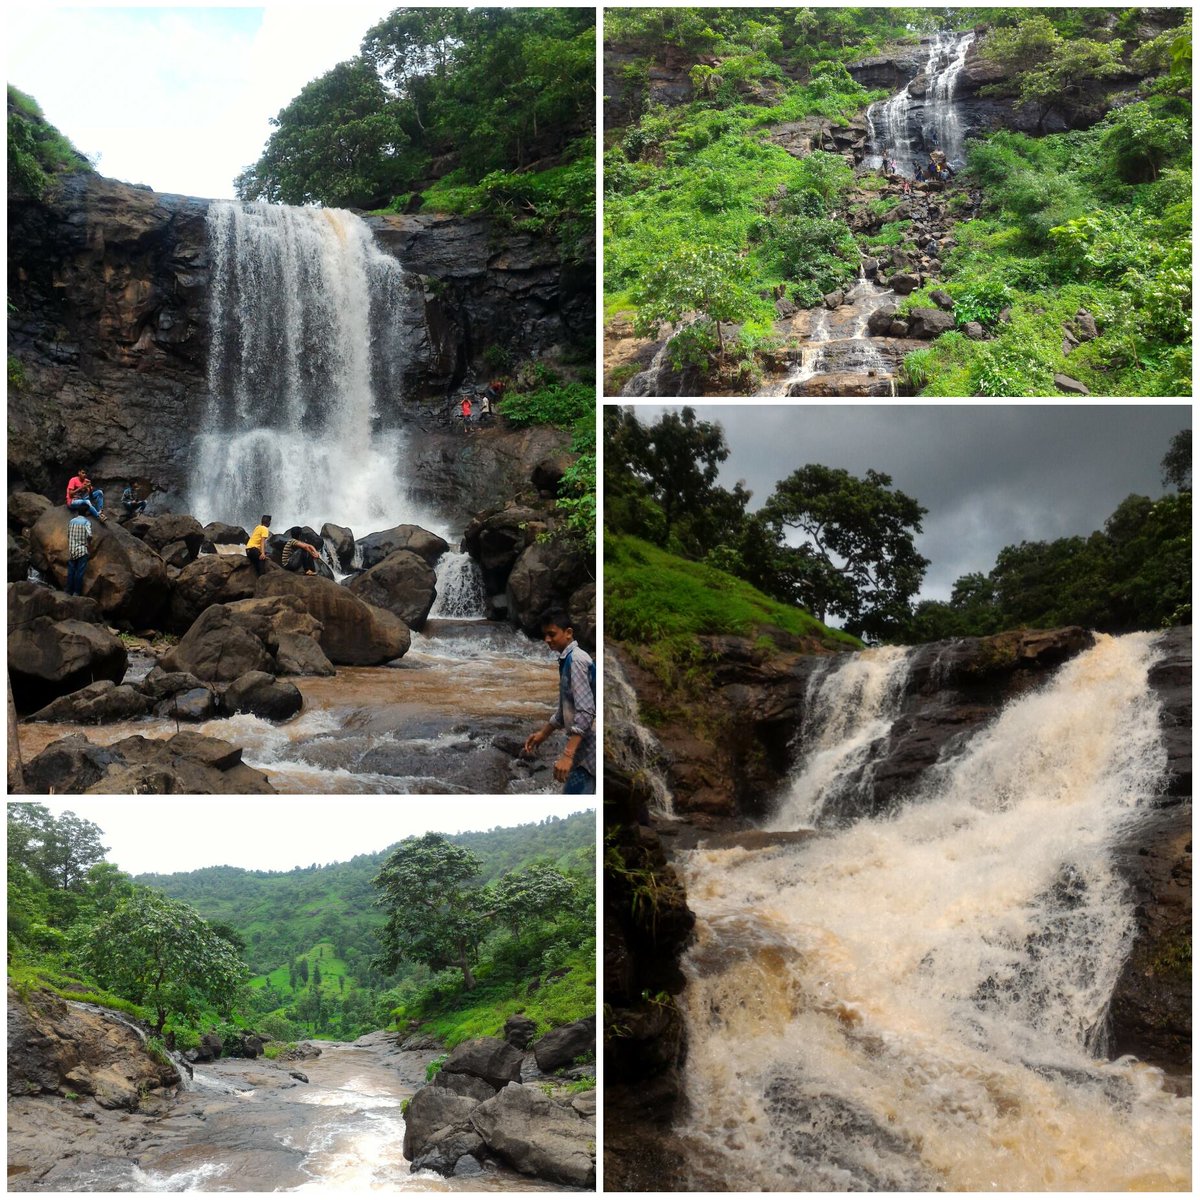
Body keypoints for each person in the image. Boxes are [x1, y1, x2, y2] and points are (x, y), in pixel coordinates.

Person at [523, 609, 596, 794]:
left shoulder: (576, 661)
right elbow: (566, 709)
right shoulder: (567, 659)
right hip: (583, 748)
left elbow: (586, 712)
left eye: (552, 634)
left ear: (569, 633)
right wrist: (543, 734)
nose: (547, 639)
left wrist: (567, 755)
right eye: (545, 635)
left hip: (589, 750)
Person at [65, 511, 93, 596]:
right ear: (86, 513)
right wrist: (88, 543)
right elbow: (90, 535)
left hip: (72, 549)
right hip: (82, 550)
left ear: (78, 512)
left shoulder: (72, 521)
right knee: (79, 572)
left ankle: (68, 590)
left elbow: (68, 534)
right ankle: (76, 592)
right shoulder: (86, 522)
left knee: (71, 571)